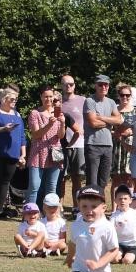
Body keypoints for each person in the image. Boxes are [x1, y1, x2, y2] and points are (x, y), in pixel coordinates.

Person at [0, 88, 26, 218]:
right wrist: (3, 129)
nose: (14, 102)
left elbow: (22, 136)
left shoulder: (17, 115)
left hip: (13, 154)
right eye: (12, 99)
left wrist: (23, 154)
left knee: (5, 182)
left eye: (16, 99)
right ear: (4, 99)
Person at [26, 85, 65, 208]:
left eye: (50, 97)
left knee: (52, 187)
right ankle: (29, 212)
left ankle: (50, 214)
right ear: (41, 97)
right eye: (45, 97)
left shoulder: (58, 112)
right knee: (34, 186)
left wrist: (63, 123)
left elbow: (61, 136)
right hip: (38, 152)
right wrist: (49, 124)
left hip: (55, 152)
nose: (48, 99)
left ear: (54, 97)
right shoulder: (35, 113)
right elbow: (36, 134)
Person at [83, 75, 123, 195]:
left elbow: (119, 120)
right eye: (100, 84)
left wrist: (102, 117)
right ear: (95, 86)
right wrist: (110, 122)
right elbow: (93, 123)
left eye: (106, 84)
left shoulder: (111, 102)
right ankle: (90, 207)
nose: (103, 87)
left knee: (104, 180)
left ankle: (99, 205)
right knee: (92, 181)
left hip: (108, 145)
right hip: (93, 145)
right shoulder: (89, 101)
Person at [57, 74, 86, 213]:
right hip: (59, 145)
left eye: (71, 84)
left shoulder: (83, 101)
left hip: (78, 145)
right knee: (60, 178)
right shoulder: (56, 101)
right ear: (61, 85)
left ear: (75, 85)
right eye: (65, 84)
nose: (69, 86)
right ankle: (59, 206)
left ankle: (76, 207)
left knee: (76, 178)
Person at [109, 184, 136, 265]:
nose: (122, 201)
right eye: (120, 199)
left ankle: (132, 255)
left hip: (133, 245)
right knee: (114, 260)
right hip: (119, 245)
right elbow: (109, 229)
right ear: (115, 201)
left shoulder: (135, 213)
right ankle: (120, 255)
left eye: (125, 198)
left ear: (130, 200)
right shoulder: (114, 215)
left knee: (127, 261)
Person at [111, 82, 136, 191]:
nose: (125, 97)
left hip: (131, 148)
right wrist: (118, 133)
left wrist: (130, 132)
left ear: (131, 96)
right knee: (116, 179)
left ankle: (129, 204)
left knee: (129, 179)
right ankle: (114, 208)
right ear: (118, 96)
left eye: (127, 95)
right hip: (116, 147)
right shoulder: (113, 111)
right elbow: (107, 130)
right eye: (122, 95)